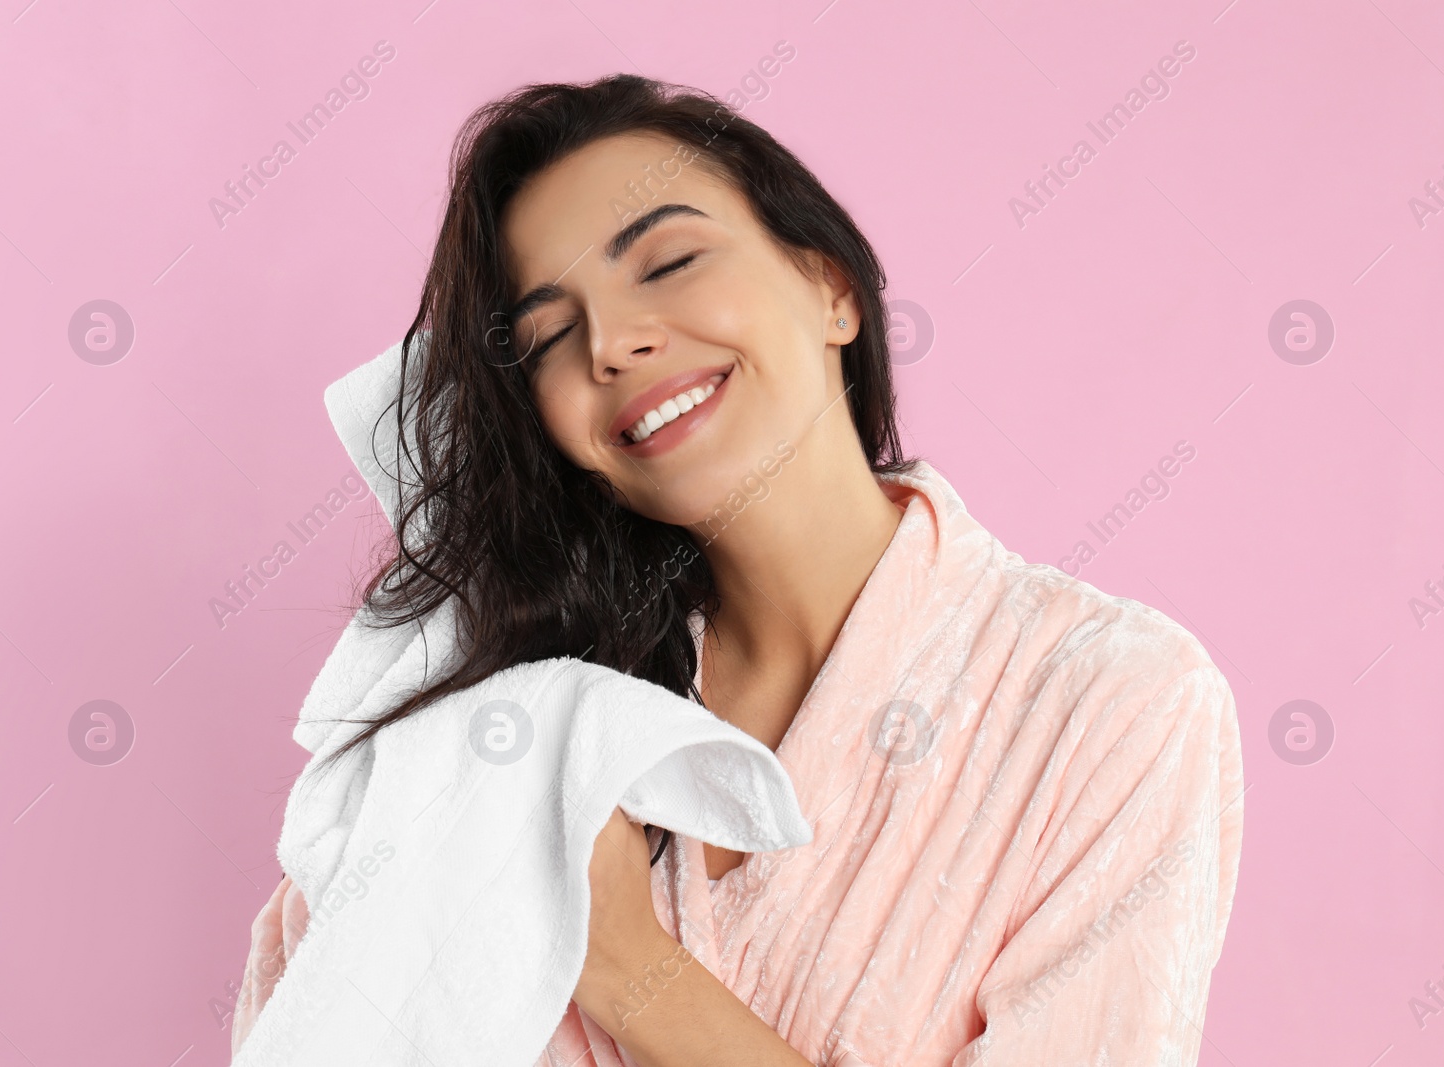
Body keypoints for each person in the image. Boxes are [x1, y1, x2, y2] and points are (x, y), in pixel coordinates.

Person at [234, 74, 1243, 1067]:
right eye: (549, 335)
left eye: (668, 261)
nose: (615, 343)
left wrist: (630, 967)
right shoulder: (494, 738)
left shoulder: (1112, 700)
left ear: (830, 286)